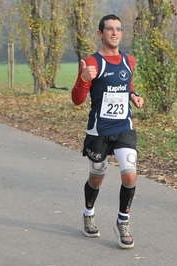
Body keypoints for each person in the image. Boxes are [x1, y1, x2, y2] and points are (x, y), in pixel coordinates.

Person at [71, 14, 144, 249]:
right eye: (109, 29)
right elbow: (77, 100)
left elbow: (127, 85)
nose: (114, 33)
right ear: (100, 34)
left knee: (130, 174)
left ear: (122, 33)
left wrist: (133, 96)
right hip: (99, 130)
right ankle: (88, 213)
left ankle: (123, 222)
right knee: (97, 176)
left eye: (118, 29)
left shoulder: (129, 61)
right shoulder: (91, 63)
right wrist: (83, 80)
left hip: (123, 127)